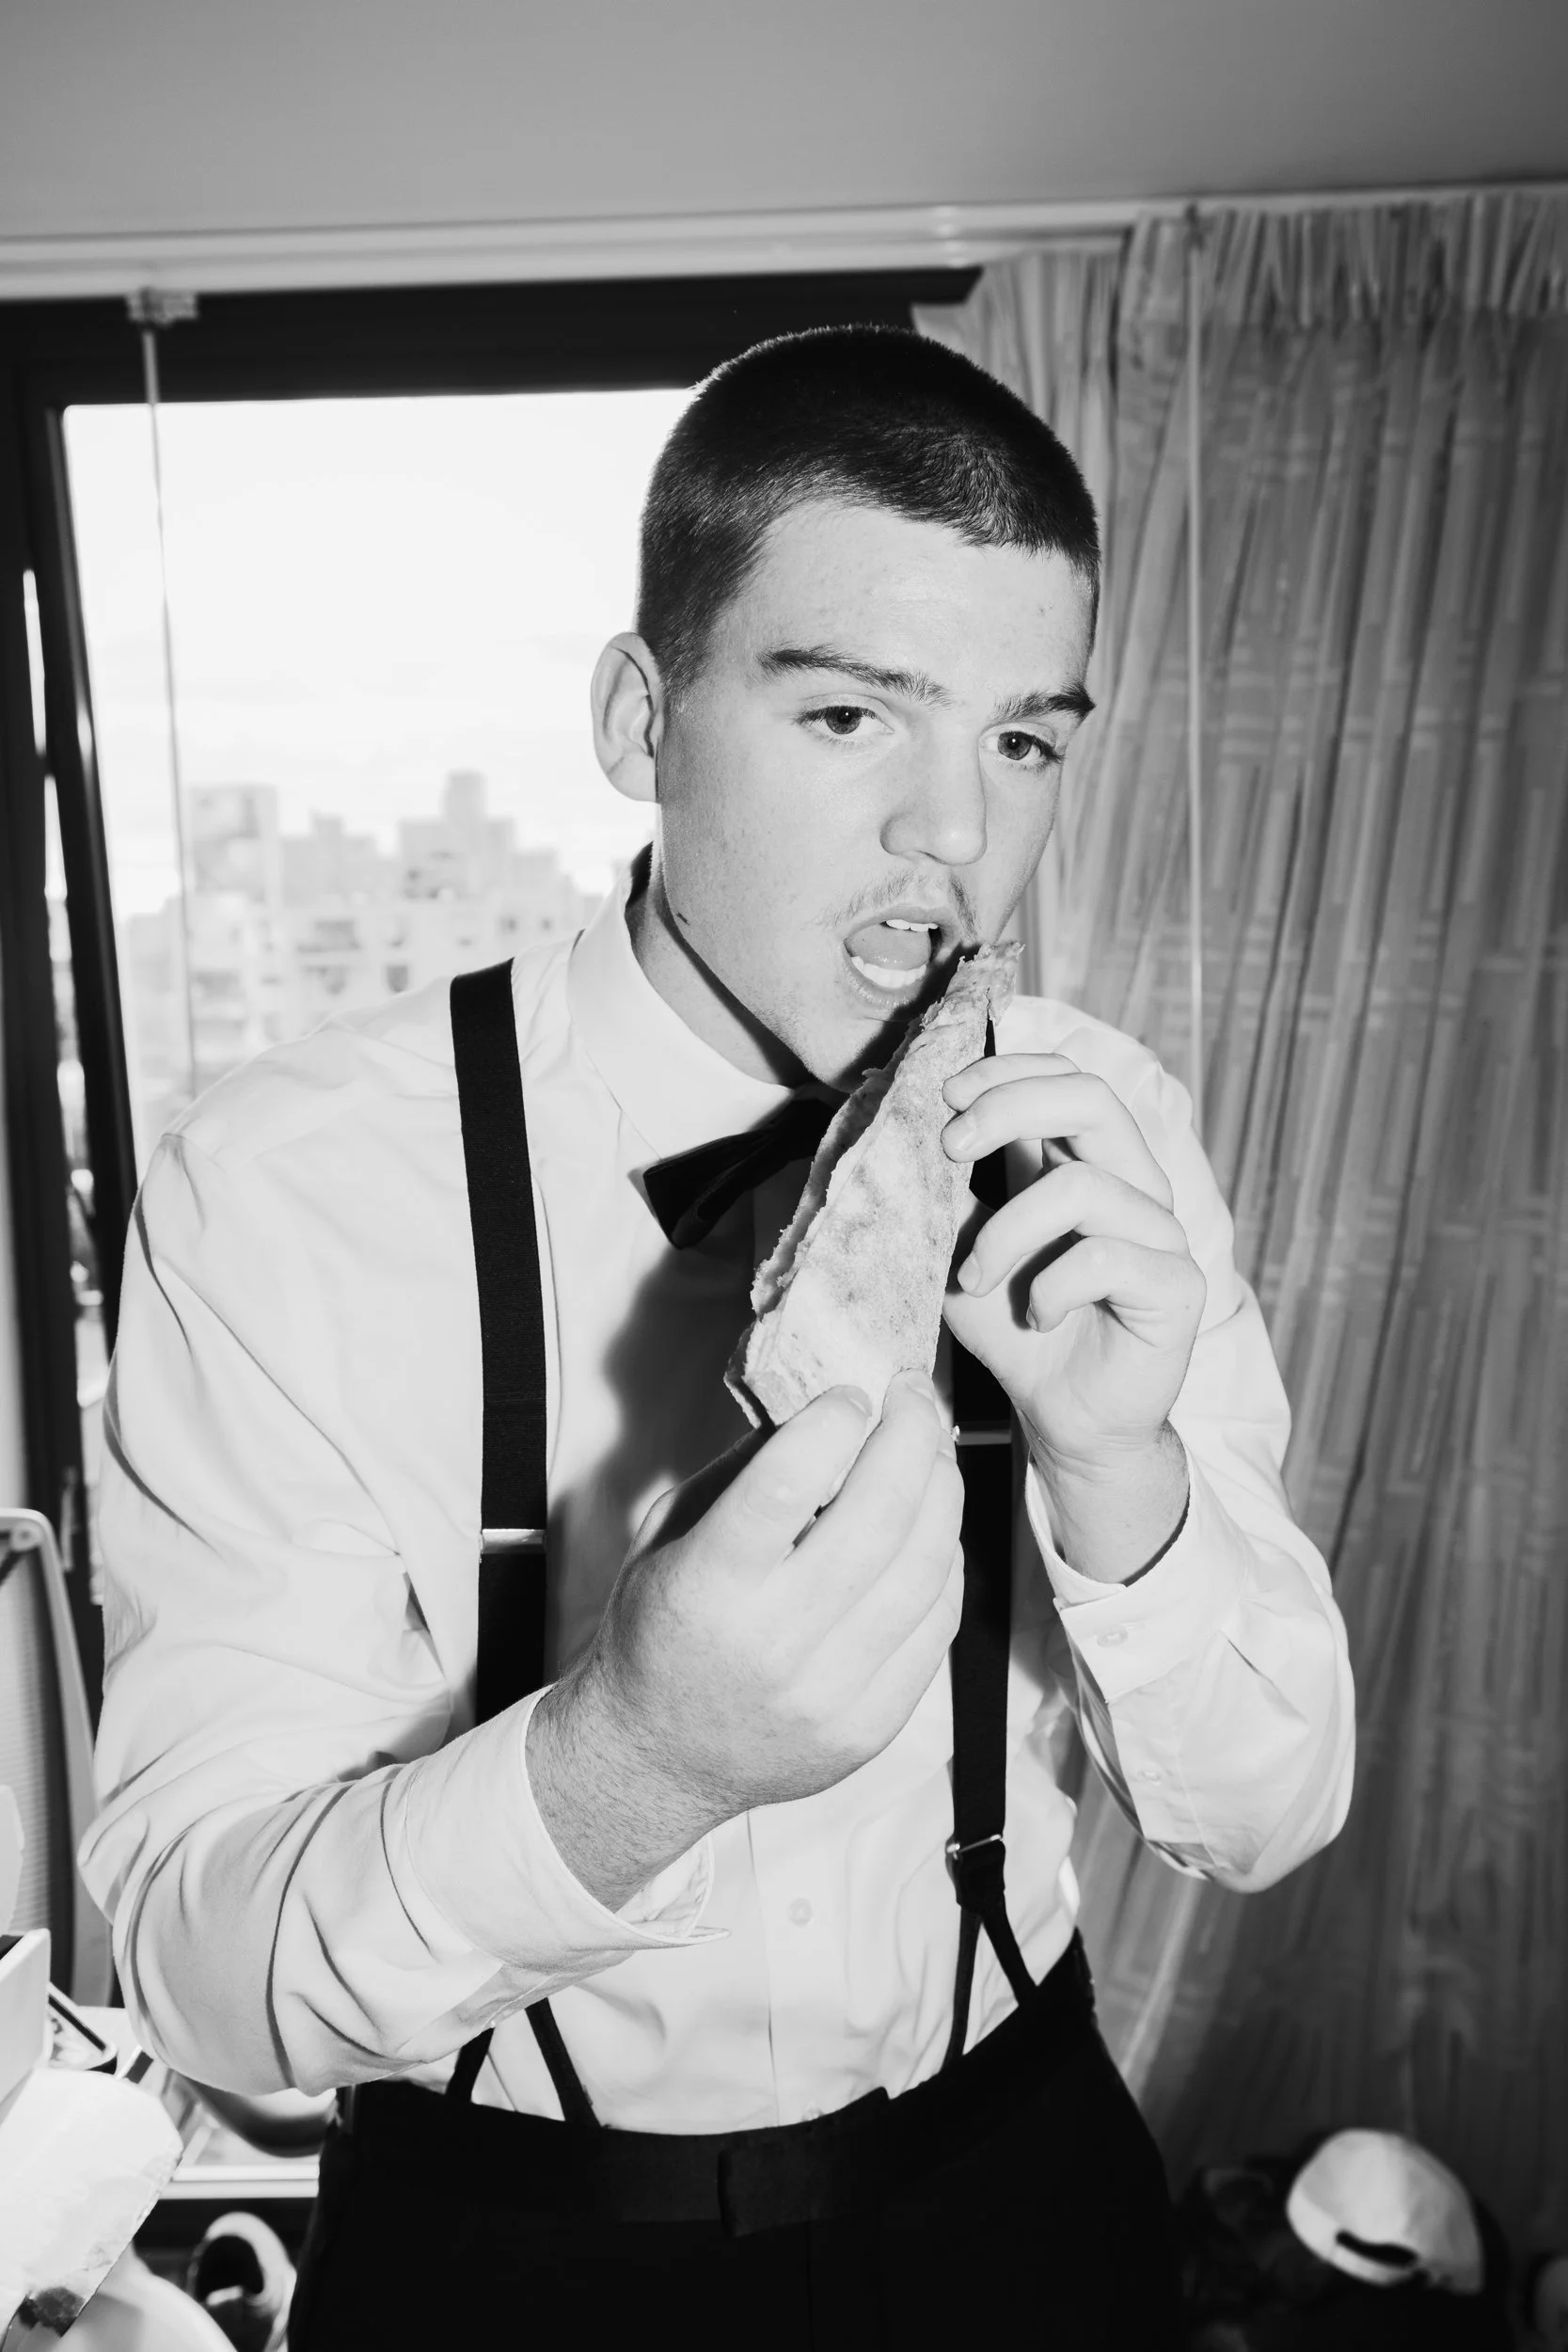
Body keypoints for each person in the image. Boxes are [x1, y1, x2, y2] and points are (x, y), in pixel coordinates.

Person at [82, 326, 1354, 2349]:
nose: (954, 837)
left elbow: (1265, 1816)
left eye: (1023, 742)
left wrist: (1123, 1481)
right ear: (638, 718)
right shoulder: (285, 1186)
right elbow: (195, 1970)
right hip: (507, 2252)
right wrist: (629, 1766)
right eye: (850, 713)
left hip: (1021, 2190)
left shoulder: (1100, 1123)